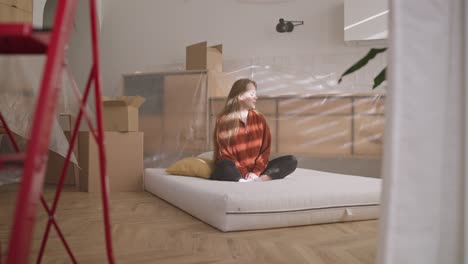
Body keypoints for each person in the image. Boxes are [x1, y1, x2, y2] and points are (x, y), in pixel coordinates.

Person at [211, 78, 297, 182]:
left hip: (255, 172)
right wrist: (244, 173)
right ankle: (242, 180)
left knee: (291, 161)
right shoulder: (224, 120)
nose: (256, 97)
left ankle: (260, 180)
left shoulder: (260, 119)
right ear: (240, 96)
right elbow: (225, 153)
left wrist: (255, 172)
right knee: (224, 165)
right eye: (252, 94)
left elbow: (265, 151)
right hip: (234, 169)